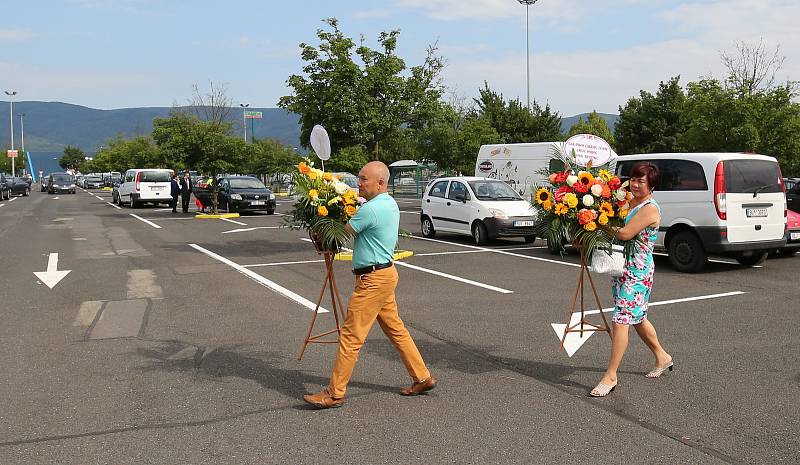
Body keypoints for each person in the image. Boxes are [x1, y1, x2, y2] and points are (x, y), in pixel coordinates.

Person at [303, 161, 436, 409]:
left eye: (364, 179)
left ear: (380, 183)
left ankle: (334, 393)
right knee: (396, 330)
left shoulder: (370, 210)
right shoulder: (389, 204)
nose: (359, 184)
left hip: (372, 280)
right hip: (385, 274)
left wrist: (320, 221)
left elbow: (339, 234)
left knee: (351, 336)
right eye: (359, 178)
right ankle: (422, 377)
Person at [591, 161, 673, 397]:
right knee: (636, 317)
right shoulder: (628, 200)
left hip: (638, 270)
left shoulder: (650, 208)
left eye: (641, 181)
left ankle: (611, 376)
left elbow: (626, 233)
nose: (635, 185)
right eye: (633, 179)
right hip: (622, 267)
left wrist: (599, 223)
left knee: (621, 320)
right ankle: (662, 357)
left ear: (652, 186)